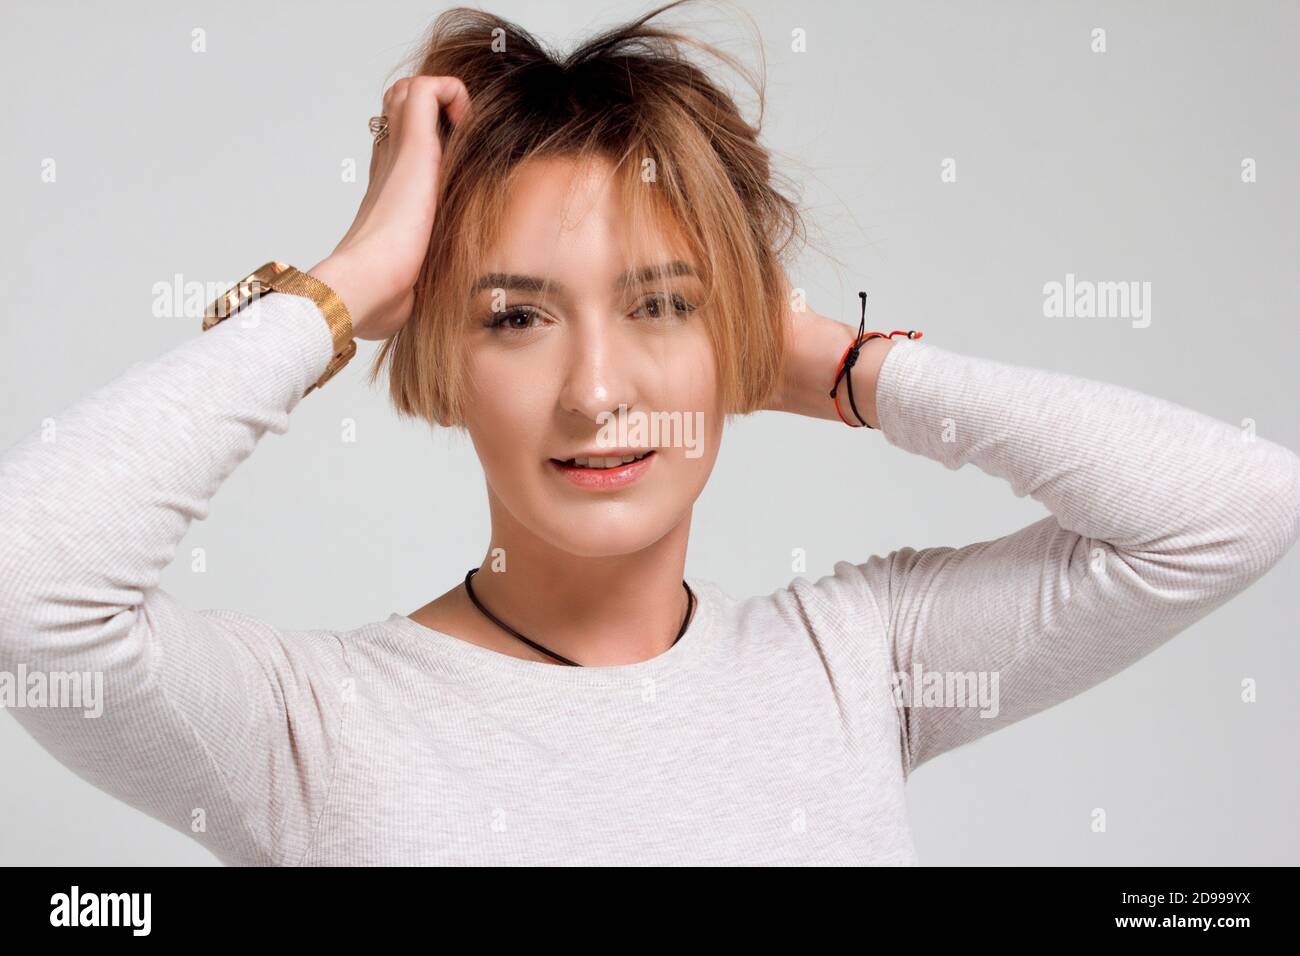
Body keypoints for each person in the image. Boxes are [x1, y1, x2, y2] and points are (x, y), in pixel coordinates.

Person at [1, 2, 1297, 866]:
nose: (598, 390)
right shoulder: (305, 729)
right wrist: (347, 286)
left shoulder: (863, 665)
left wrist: (843, 367)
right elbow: (28, 592)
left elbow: (1237, 508)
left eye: (663, 307)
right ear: (442, 348)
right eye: (516, 318)